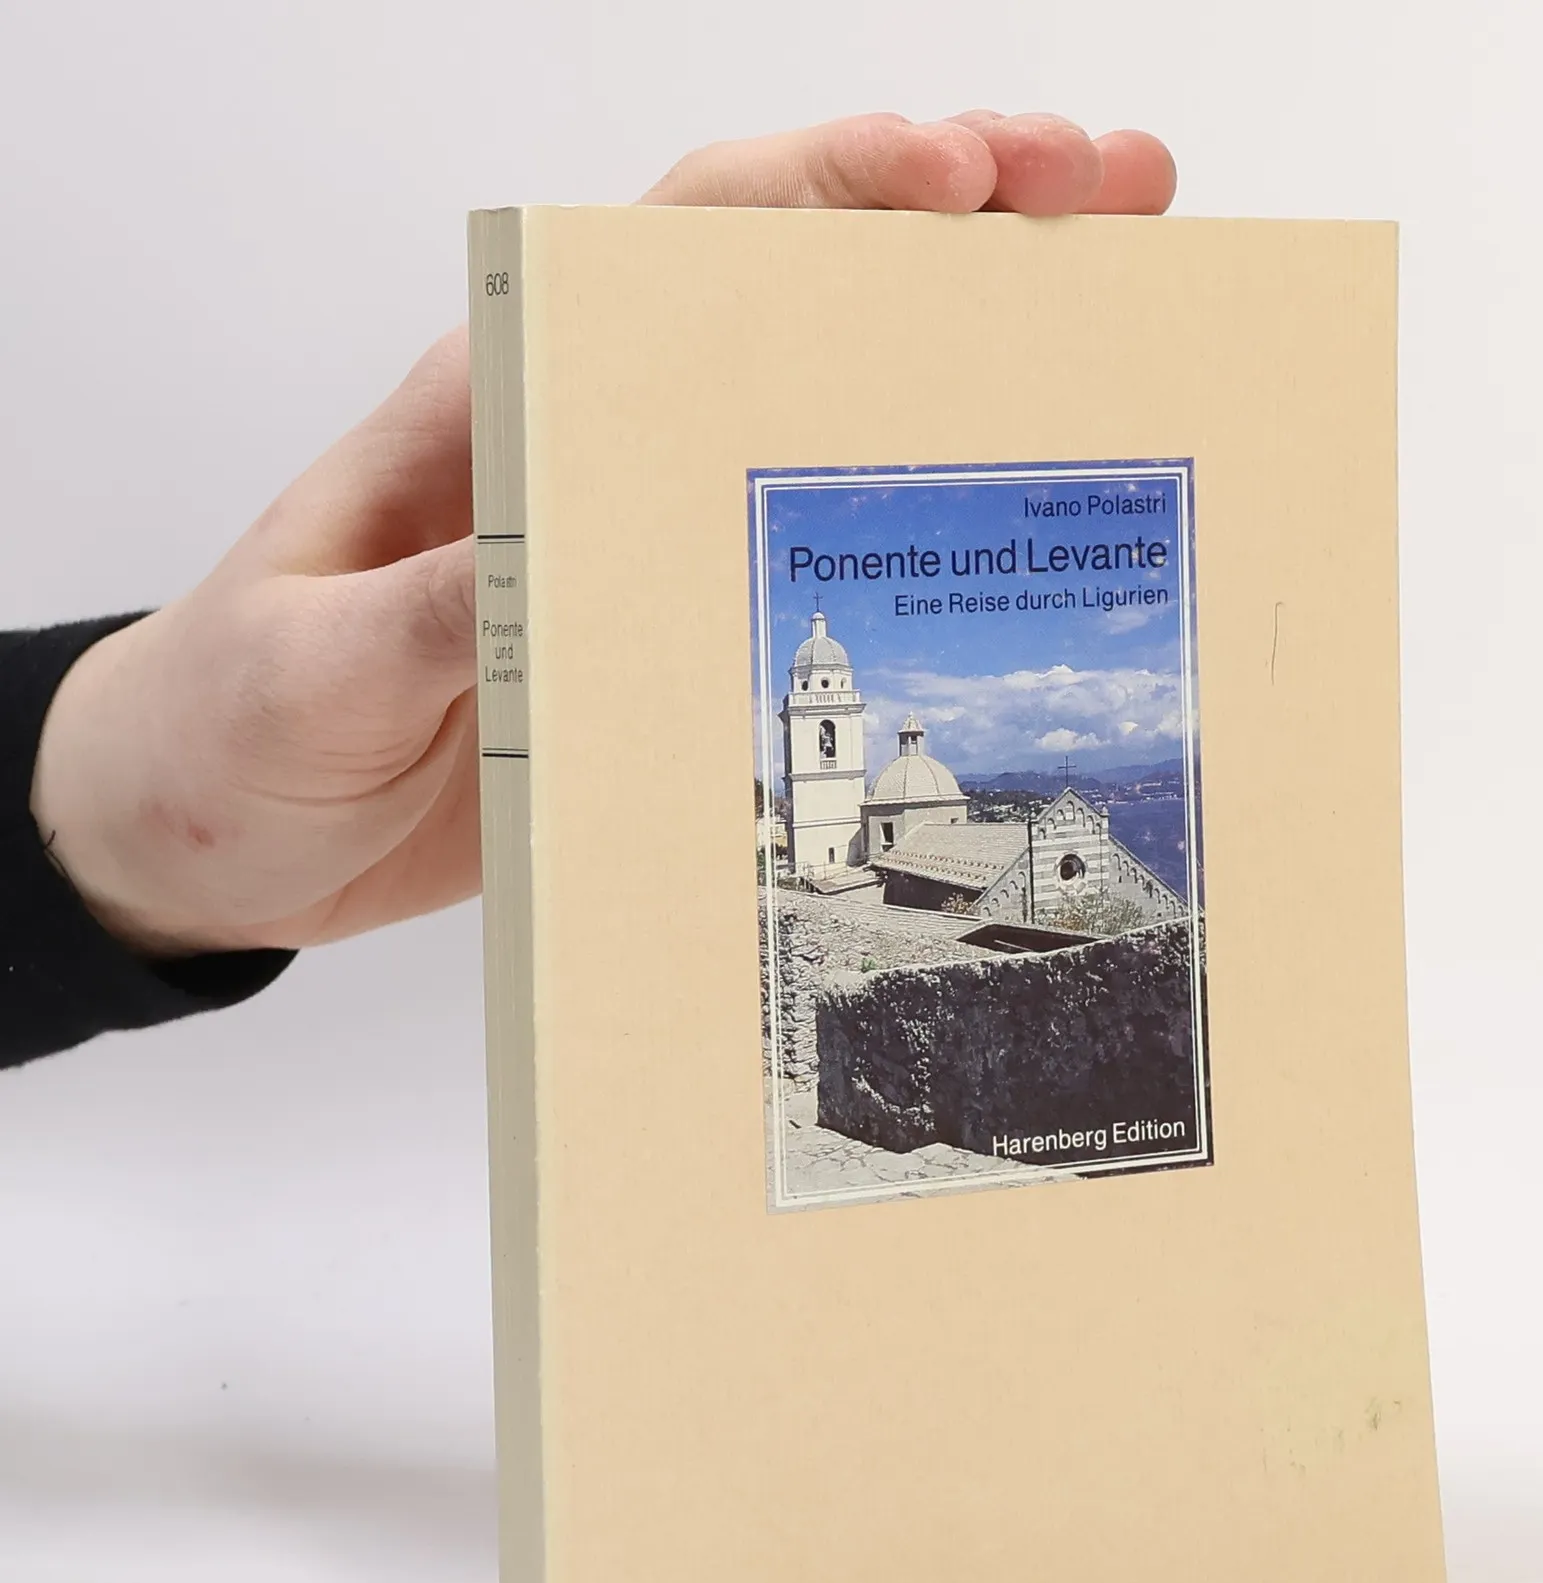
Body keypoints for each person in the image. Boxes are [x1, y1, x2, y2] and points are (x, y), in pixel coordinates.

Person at [0, 112, 1177, 1072]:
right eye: (818, 714)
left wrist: (139, 819)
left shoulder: (904, 801)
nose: (831, 726)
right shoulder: (867, 817)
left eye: (832, 716)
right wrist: (147, 805)